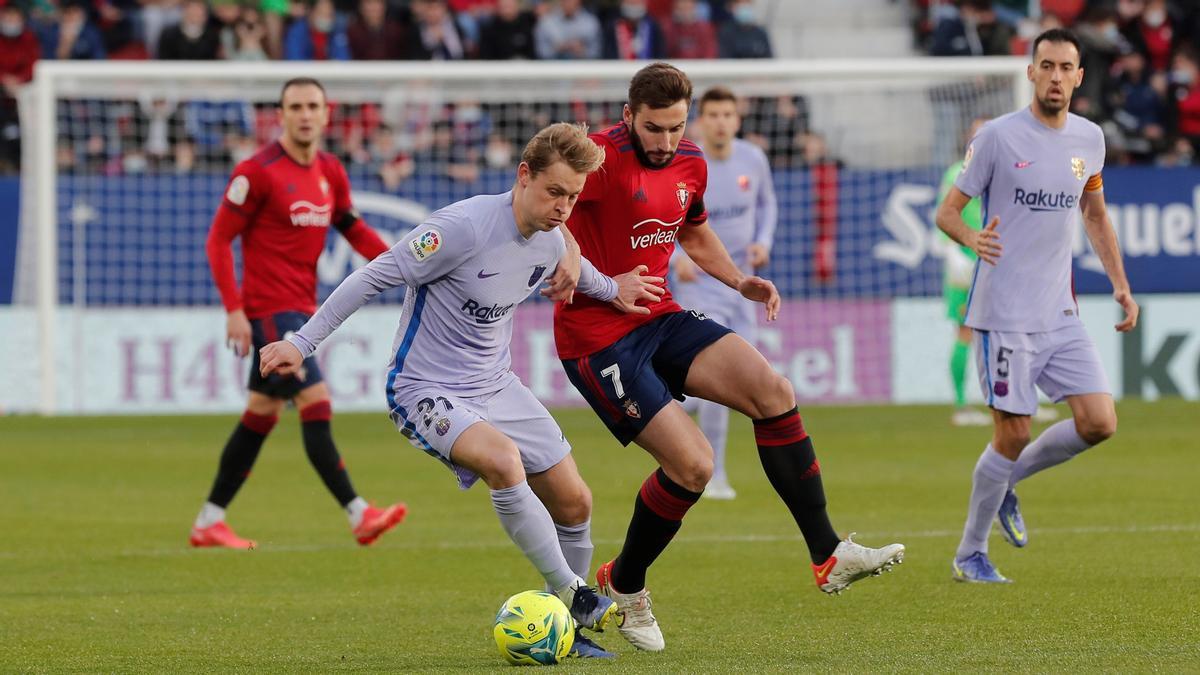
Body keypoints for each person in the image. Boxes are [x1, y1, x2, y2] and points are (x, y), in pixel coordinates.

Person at [259, 122, 667, 658]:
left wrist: (615, 290)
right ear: (523, 176)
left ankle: (569, 630)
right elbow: (372, 276)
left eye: (573, 196)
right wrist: (301, 342)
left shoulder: (551, 239)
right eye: (554, 192)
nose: (565, 207)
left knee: (575, 501)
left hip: (496, 384)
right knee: (502, 460)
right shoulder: (462, 228)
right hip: (423, 387)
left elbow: (579, 270)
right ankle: (573, 593)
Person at [555, 63, 905, 652]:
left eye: (675, 127)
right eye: (654, 129)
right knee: (694, 467)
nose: (666, 142)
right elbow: (550, 211)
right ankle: (627, 582)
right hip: (598, 338)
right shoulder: (597, 159)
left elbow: (692, 231)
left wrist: (739, 280)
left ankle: (828, 554)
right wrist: (581, 268)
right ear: (628, 118)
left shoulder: (691, 161)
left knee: (774, 391)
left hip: (660, 317)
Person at [936, 29, 1139, 584]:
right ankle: (969, 554)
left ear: (1079, 76)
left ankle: (1007, 484)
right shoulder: (999, 138)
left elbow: (1094, 214)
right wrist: (970, 238)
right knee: (1014, 432)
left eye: (1064, 67)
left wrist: (1121, 284)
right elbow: (948, 212)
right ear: (1030, 71)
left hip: (1060, 311)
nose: (1054, 76)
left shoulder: (1089, 139)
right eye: (1045, 65)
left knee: (1099, 422)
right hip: (1003, 314)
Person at [190, 78, 406, 550]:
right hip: (270, 311)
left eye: (313, 106)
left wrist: (405, 265)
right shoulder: (258, 171)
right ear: (281, 115)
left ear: (327, 114)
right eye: (295, 107)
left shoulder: (330, 170)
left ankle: (209, 521)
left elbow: (352, 228)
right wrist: (234, 310)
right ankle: (359, 514)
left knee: (261, 414)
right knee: (316, 401)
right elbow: (218, 239)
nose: (305, 114)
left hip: (303, 310)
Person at [671, 86, 777, 500]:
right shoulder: (687, 163)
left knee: (737, 378)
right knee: (722, 376)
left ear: (737, 119)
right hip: (700, 283)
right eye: (712, 114)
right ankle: (714, 475)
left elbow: (768, 204)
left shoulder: (754, 158)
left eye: (727, 114)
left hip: (744, 284)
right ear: (701, 120)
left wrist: (763, 241)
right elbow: (664, 215)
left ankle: (670, 414)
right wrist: (674, 256)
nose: (720, 122)